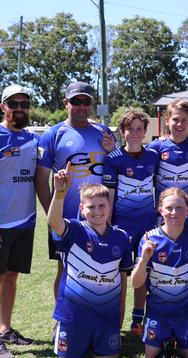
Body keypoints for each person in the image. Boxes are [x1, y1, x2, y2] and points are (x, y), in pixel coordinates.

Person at [36, 81, 117, 302]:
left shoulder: (104, 133)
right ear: (66, 103)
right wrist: (53, 214)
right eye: (76, 101)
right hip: (67, 217)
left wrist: (112, 151)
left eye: (86, 101)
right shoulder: (52, 135)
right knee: (64, 270)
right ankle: (62, 320)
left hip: (100, 216)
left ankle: (92, 317)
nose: (81, 106)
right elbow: (41, 180)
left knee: (99, 267)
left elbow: (119, 167)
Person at [47, 170, 132, 358]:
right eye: (91, 206)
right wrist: (59, 194)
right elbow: (53, 222)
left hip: (107, 318)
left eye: (102, 205)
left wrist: (121, 309)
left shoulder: (121, 237)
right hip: (73, 318)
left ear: (109, 206)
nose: (97, 211)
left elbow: (122, 278)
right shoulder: (75, 230)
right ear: (81, 208)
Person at [131, 188, 188, 358]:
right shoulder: (149, 239)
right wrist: (144, 259)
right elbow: (137, 283)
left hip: (187, 314)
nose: (174, 213)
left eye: (180, 208)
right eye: (169, 208)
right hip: (157, 314)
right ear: (160, 209)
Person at [102, 108, 159, 336]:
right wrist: (106, 226)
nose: (134, 133)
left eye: (139, 129)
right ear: (122, 131)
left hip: (146, 226)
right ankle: (114, 321)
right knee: (117, 275)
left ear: (145, 131)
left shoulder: (153, 157)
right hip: (121, 226)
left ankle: (137, 320)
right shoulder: (113, 159)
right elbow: (109, 195)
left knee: (142, 272)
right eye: (129, 129)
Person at [0, 85, 39, 358]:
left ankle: (5, 330)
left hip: (25, 222)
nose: (19, 108)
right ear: (2, 107)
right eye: (13, 103)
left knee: (10, 278)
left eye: (23, 103)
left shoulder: (32, 139)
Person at [147, 99, 188, 227]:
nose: (180, 124)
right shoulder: (156, 147)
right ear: (167, 121)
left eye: (184, 120)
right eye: (175, 119)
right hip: (163, 217)